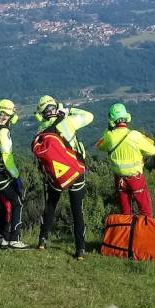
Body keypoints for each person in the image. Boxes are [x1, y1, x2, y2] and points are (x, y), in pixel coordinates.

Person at [34, 95, 93, 259]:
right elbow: (89, 116)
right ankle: (80, 249)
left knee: (51, 205)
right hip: (75, 172)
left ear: (41, 113)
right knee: (77, 211)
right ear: (55, 106)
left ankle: (42, 240)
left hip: (55, 176)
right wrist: (68, 110)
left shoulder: (41, 129)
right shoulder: (68, 122)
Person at [95, 103, 155, 217]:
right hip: (135, 179)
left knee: (125, 213)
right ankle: (145, 227)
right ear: (126, 118)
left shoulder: (110, 137)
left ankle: (126, 227)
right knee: (145, 211)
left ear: (112, 121)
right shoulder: (135, 135)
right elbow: (152, 151)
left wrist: (107, 130)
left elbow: (99, 145)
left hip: (119, 179)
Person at [0, 98, 28, 249]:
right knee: (17, 202)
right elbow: (7, 159)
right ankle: (14, 239)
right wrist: (16, 177)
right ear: (4, 115)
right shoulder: (3, 131)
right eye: (10, 115)